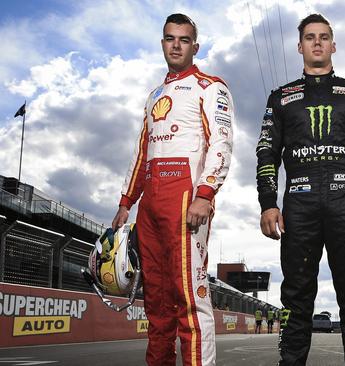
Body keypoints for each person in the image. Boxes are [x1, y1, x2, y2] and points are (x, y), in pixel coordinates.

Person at [256, 13, 345, 366]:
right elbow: (266, 152)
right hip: (298, 206)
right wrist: (268, 203)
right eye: (310, 37)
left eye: (323, 37)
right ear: (300, 46)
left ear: (333, 45)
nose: (317, 42)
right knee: (297, 297)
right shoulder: (281, 98)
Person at [111, 13, 234, 366]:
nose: (176, 45)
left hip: (186, 198)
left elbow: (221, 144)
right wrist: (126, 202)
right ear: (162, 43)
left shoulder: (210, 87)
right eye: (169, 38)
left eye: (183, 39)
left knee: (190, 300)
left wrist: (204, 194)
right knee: (157, 304)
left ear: (195, 46)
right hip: (149, 201)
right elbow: (141, 153)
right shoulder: (154, 95)